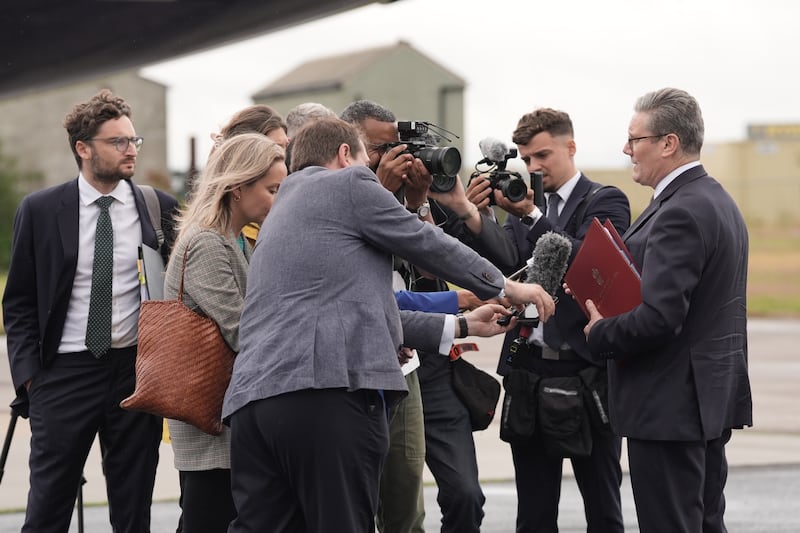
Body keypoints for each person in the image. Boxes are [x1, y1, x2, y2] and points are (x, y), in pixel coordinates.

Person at [222, 117, 555, 533]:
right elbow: (425, 241)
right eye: (366, 159)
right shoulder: (347, 185)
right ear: (346, 155)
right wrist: (505, 286)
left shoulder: (283, 211)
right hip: (325, 396)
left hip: (256, 406)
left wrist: (464, 326)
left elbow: (362, 312)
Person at [2, 89, 178, 532]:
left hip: (135, 374)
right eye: (117, 142)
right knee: (47, 509)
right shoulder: (41, 210)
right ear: (84, 149)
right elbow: (20, 300)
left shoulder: (157, 208)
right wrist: (31, 377)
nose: (130, 151)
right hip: (63, 374)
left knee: (132, 508)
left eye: (134, 141)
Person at [578, 88, 752, 533]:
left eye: (635, 139)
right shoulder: (716, 201)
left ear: (669, 143)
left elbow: (660, 318)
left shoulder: (681, 211)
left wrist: (601, 331)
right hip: (702, 402)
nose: (626, 148)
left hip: (670, 409)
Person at [481, 108, 630, 533]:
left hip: (586, 372)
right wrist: (474, 215)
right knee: (533, 515)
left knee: (603, 509)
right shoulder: (522, 203)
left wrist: (531, 215)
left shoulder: (605, 199)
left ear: (571, 146)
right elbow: (505, 265)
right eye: (526, 159)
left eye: (543, 155)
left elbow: (592, 267)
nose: (534, 167)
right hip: (530, 367)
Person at [164, 133, 287, 533]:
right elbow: (242, 330)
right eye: (272, 189)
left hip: (225, 418)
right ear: (237, 187)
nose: (279, 199)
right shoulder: (208, 243)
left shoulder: (235, 237)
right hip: (210, 423)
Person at [340, 99, 450, 533]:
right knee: (351, 504)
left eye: (395, 148)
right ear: (347, 147)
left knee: (406, 496)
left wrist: (418, 202)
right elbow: (347, 264)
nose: (389, 158)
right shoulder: (331, 192)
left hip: (402, 365)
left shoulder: (396, 201)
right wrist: (381, 193)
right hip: (348, 371)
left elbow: (431, 267)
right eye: (379, 149)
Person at [210, 104, 289, 246]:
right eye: (275, 147)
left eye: (285, 147)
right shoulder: (211, 241)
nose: (283, 157)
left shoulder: (240, 230)